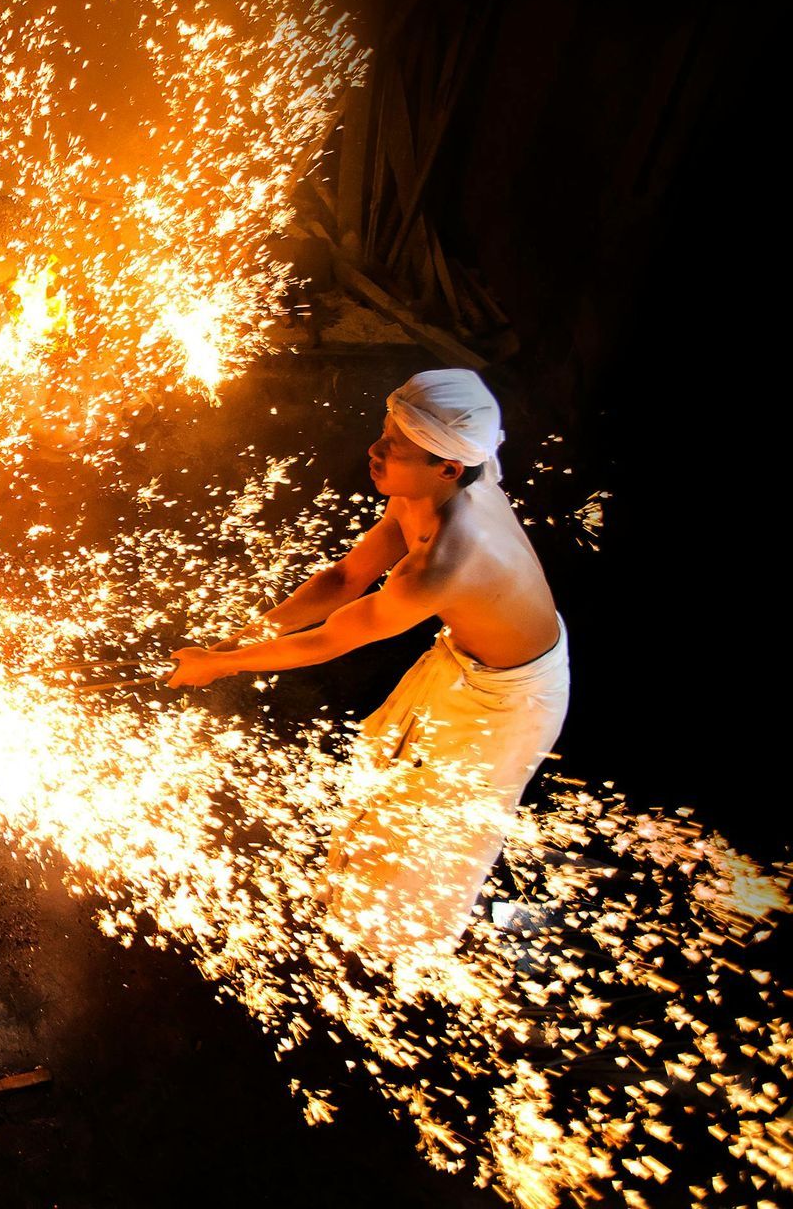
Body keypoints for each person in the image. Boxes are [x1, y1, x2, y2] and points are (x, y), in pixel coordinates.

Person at [167, 369, 569, 957]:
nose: (375, 452)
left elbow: (328, 640)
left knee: (428, 822)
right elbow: (344, 578)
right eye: (382, 434)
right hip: (471, 661)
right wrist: (235, 642)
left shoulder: (447, 561)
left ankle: (395, 949)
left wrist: (220, 668)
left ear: (447, 467)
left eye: (393, 448)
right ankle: (358, 905)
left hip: (508, 703)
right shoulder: (428, 493)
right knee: (390, 785)